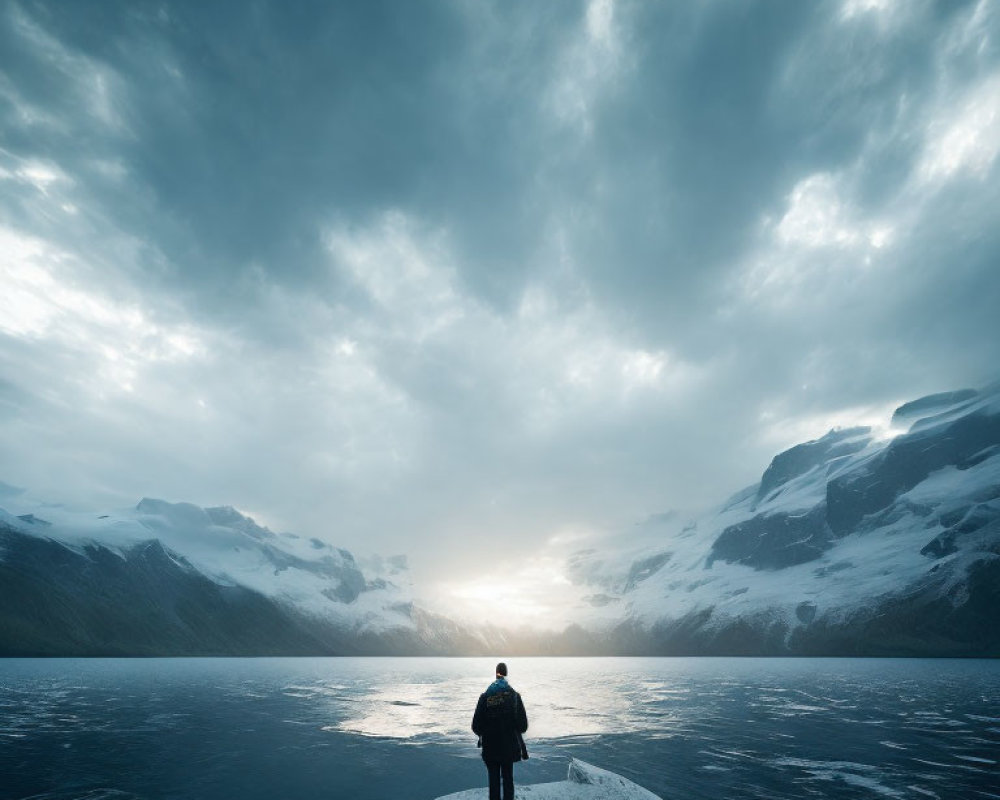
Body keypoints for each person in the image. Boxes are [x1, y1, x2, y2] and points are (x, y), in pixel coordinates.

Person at [472, 662, 528, 800]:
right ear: (506, 674)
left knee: (493, 782)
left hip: (490, 748)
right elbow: (523, 726)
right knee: (508, 780)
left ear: (496, 674)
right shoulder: (514, 696)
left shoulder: (485, 697)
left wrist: (486, 732)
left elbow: (475, 726)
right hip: (509, 748)